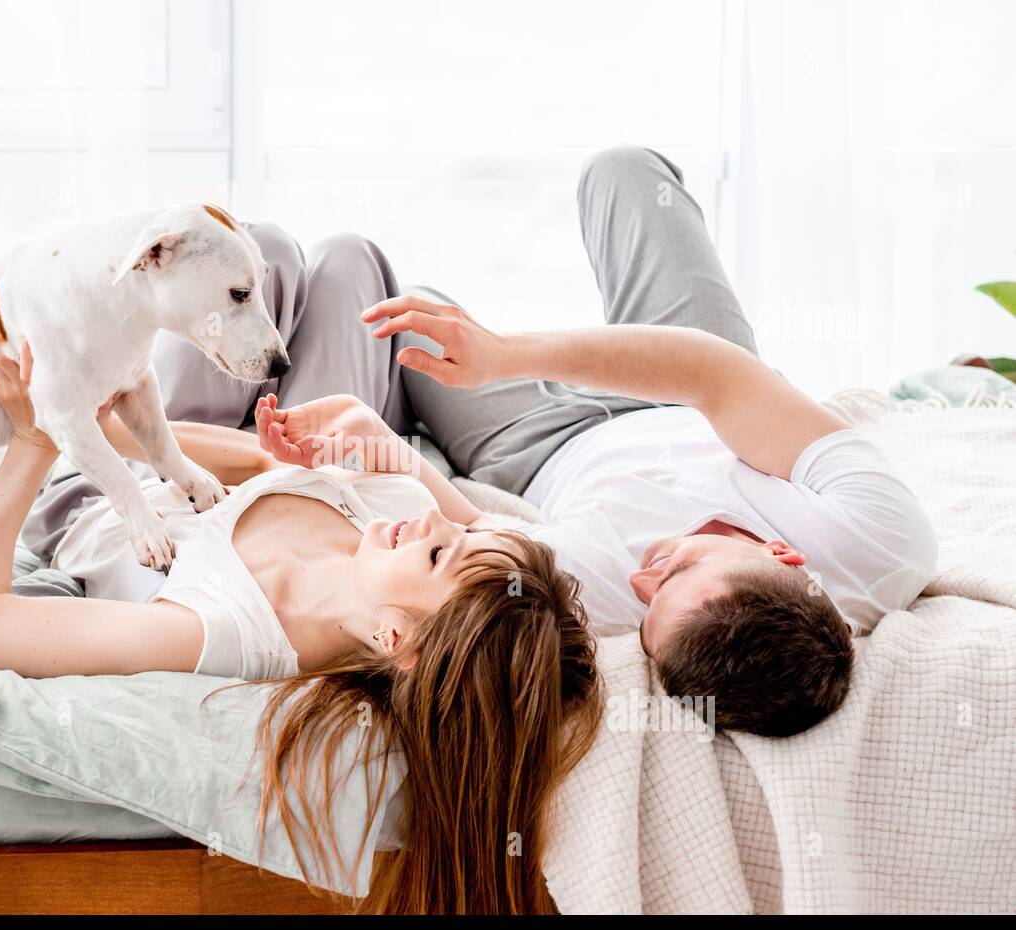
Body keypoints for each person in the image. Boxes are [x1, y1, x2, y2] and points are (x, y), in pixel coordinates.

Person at [251, 147, 938, 737]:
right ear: (782, 553)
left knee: (416, 322)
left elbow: (470, 531)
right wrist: (506, 354)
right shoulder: (881, 541)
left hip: (546, 446)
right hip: (698, 392)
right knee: (625, 172)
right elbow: (714, 377)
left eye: (646, 614)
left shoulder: (611, 601)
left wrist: (381, 445)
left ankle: (385, 389)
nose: (644, 576)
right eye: (675, 571)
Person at [0, 331, 603, 915]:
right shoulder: (390, 504)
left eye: (436, 551)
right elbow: (253, 459)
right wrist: (97, 424)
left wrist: (39, 436)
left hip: (76, 491)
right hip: (155, 452)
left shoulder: (219, 628)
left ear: (395, 638)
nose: (433, 517)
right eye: (452, 530)